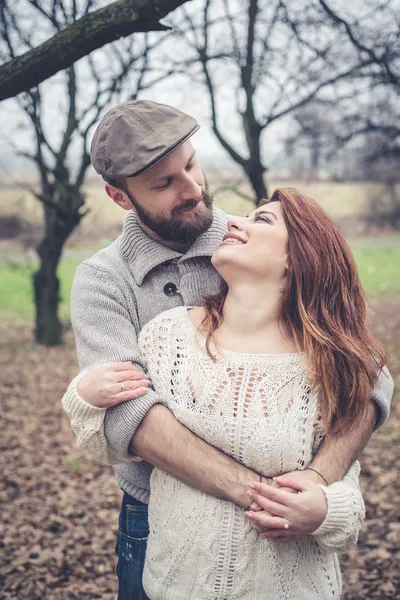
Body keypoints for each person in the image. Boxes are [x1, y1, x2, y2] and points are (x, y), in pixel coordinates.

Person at [62, 100, 393, 599]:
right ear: (120, 197)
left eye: (191, 165)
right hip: (161, 516)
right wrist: (256, 493)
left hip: (285, 541)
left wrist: (315, 483)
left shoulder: (256, 242)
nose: (192, 189)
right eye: (163, 183)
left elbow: (360, 370)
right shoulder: (104, 281)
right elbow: (125, 414)